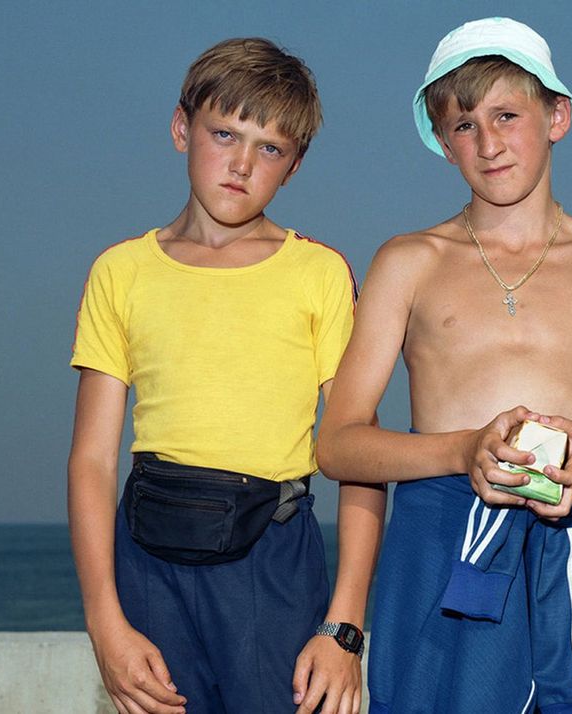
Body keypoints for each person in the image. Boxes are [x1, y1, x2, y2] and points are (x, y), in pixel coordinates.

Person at [317, 17, 572, 714]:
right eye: (463, 125)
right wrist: (465, 450)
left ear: (558, 116)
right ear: (441, 142)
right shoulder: (408, 262)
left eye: (506, 115)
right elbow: (338, 444)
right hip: (439, 535)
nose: (487, 143)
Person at [68, 37, 385, 714]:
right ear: (182, 129)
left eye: (269, 148)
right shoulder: (120, 271)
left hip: (273, 559)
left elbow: (359, 454)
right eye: (224, 134)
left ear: (294, 166)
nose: (242, 164)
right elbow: (93, 460)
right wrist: (104, 621)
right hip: (148, 559)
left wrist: (344, 627)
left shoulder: (318, 273)